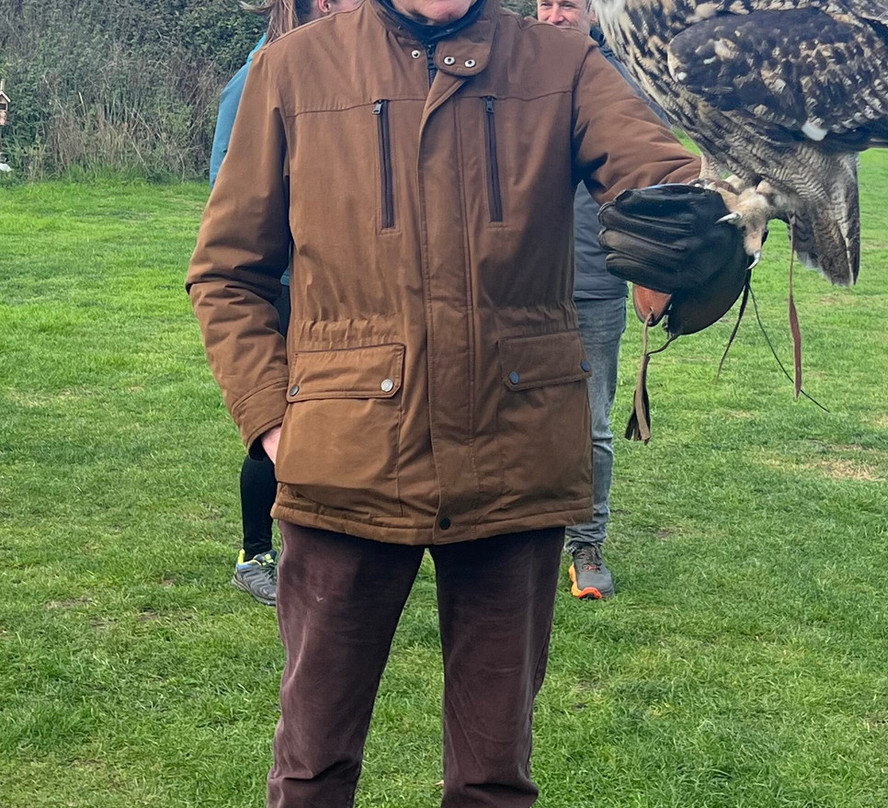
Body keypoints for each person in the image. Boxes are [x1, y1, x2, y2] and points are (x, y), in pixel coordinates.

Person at [186, 0, 734, 803]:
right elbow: (227, 272)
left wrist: (719, 226)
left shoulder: (564, 66)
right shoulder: (292, 68)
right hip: (342, 461)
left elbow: (663, 184)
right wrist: (273, 419)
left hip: (515, 458)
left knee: (491, 777)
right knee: (312, 767)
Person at [211, 0, 362, 607]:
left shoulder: (358, 70)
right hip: (285, 283)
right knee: (284, 416)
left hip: (341, 286)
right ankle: (256, 553)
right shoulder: (262, 73)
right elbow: (230, 192)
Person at [536, 0, 669, 600]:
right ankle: (512, 538)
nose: (557, 15)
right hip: (512, 288)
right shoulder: (503, 75)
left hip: (593, 285)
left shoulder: (624, 87)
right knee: (504, 417)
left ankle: (586, 547)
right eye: (545, 3)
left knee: (590, 426)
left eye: (571, 4)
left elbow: (656, 187)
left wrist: (662, 267)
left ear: (594, 13)